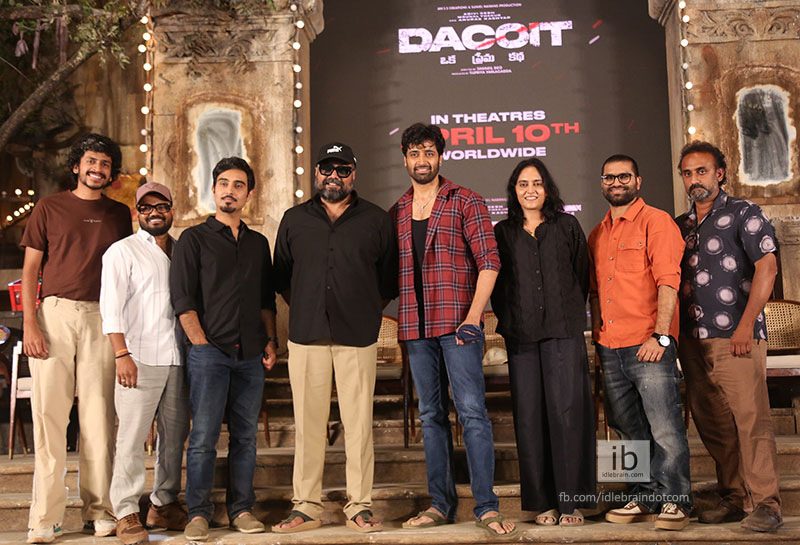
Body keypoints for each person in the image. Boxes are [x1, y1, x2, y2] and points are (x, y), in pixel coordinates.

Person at [390, 123, 516, 538]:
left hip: (458, 326)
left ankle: (486, 506)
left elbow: (489, 262)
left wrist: (473, 318)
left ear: (440, 157)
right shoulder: (397, 210)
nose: (422, 160)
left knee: (472, 413)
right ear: (405, 159)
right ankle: (440, 504)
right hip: (416, 328)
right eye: (414, 153)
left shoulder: (466, 200)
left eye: (429, 152)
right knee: (431, 416)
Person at [271, 143, 397, 534]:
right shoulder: (294, 219)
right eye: (327, 169)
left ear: (353, 174)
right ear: (316, 173)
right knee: (308, 426)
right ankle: (306, 507)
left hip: (357, 337)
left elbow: (388, 280)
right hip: (306, 335)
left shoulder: (376, 220)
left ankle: (359, 505)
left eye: (343, 170)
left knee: (359, 426)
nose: (334, 177)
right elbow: (282, 277)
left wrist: (361, 309)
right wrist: (309, 306)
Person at [21, 134, 133, 544]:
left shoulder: (119, 215)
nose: (97, 169)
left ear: (111, 172)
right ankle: (45, 518)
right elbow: (30, 269)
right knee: (49, 418)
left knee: (99, 419)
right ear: (76, 166)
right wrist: (30, 324)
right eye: (91, 161)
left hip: (102, 318)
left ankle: (99, 512)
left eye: (104, 163)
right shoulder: (49, 207)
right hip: (55, 315)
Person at [675, 141, 782, 532]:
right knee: (714, 425)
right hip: (692, 340)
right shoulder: (680, 226)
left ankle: (767, 503)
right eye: (687, 173)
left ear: (719, 173)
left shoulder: (744, 212)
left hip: (736, 335)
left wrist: (745, 325)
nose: (694, 179)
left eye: (701, 171)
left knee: (751, 421)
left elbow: (767, 268)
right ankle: (735, 497)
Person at [170, 157, 278, 542]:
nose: (230, 191)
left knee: (245, 437)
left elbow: (265, 300)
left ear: (249, 194)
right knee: (203, 437)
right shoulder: (193, 240)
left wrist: (270, 340)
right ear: (214, 189)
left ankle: (241, 510)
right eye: (224, 184)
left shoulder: (258, 243)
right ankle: (198, 514)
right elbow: (183, 300)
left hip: (251, 355)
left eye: (238, 185)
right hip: (209, 353)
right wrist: (200, 343)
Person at [588, 154, 692, 530]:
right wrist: (598, 339)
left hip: (649, 344)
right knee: (623, 426)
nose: (616, 183)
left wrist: (661, 335)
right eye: (609, 177)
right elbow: (595, 293)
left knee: (664, 426)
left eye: (624, 176)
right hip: (610, 346)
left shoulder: (657, 221)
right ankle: (640, 496)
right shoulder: (597, 234)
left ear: (638, 181)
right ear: (602, 182)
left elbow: (668, 281)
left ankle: (676, 501)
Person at [491, 158, 595, 526]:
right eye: (523, 184)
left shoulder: (567, 226)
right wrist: (513, 320)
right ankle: (543, 503)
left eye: (536, 183)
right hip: (521, 338)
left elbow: (582, 275)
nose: (530, 190)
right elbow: (498, 287)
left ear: (547, 188)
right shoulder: (502, 232)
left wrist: (566, 314)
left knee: (568, 417)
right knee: (530, 419)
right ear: (514, 191)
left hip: (563, 334)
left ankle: (572, 503)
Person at [100, 182, 190, 544]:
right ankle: (125, 511)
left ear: (172, 210)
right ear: (137, 213)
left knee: (174, 438)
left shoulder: (183, 250)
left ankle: (162, 504)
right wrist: (121, 354)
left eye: (162, 206)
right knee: (132, 437)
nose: (155, 213)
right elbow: (111, 307)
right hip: (138, 357)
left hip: (178, 357)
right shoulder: (122, 251)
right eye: (147, 207)